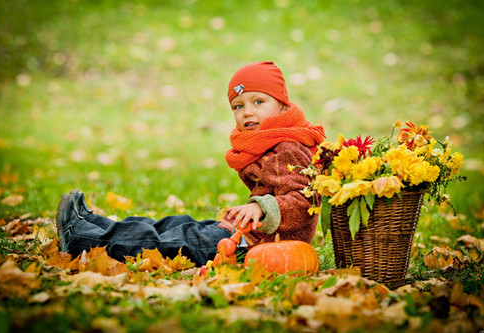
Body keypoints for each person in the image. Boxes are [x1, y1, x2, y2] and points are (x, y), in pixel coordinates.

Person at [55, 61, 325, 266]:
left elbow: (304, 202)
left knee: (171, 241)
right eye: (238, 106)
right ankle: (95, 224)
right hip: (244, 234)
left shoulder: (289, 147)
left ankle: (83, 239)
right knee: (173, 224)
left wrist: (262, 208)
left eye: (258, 101)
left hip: (258, 248)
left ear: (281, 106)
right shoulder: (273, 141)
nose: (248, 112)